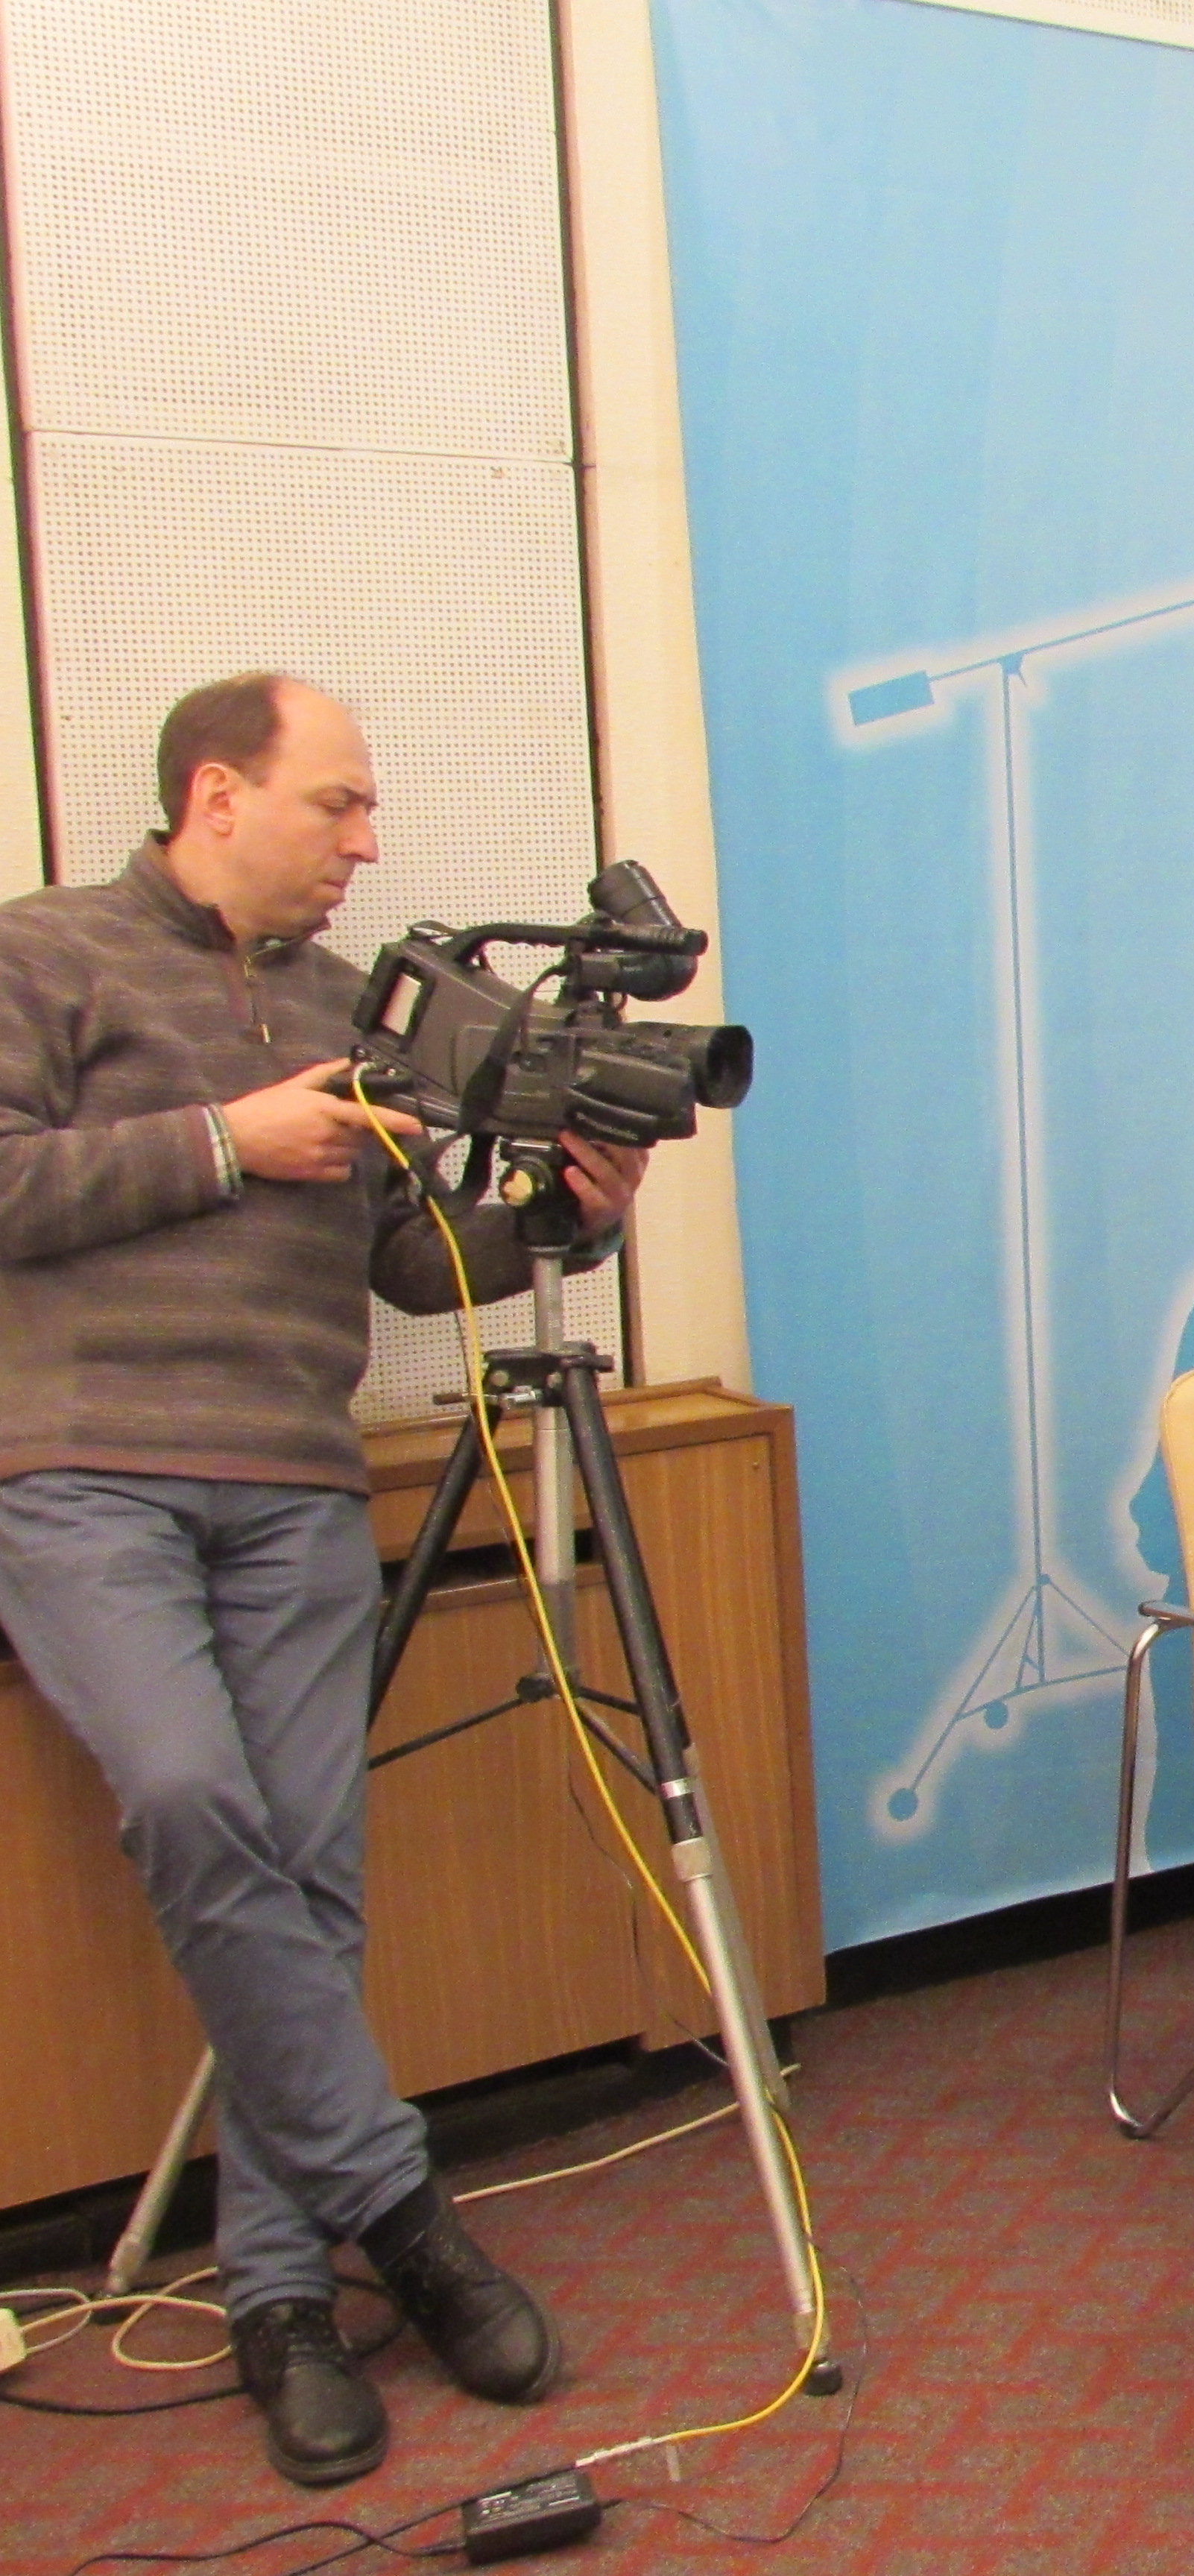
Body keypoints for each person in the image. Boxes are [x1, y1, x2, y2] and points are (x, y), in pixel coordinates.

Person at [0, 675, 644, 2485]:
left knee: (309, 1866)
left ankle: (280, 2295)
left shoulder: (359, 1015)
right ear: (219, 792)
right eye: (339, 802)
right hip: (81, 1474)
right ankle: (402, 2208)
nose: (368, 841)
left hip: (291, 1484)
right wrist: (228, 1137)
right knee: (190, 1800)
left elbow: (410, 1265)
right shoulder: (42, 954)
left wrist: (569, 1219)